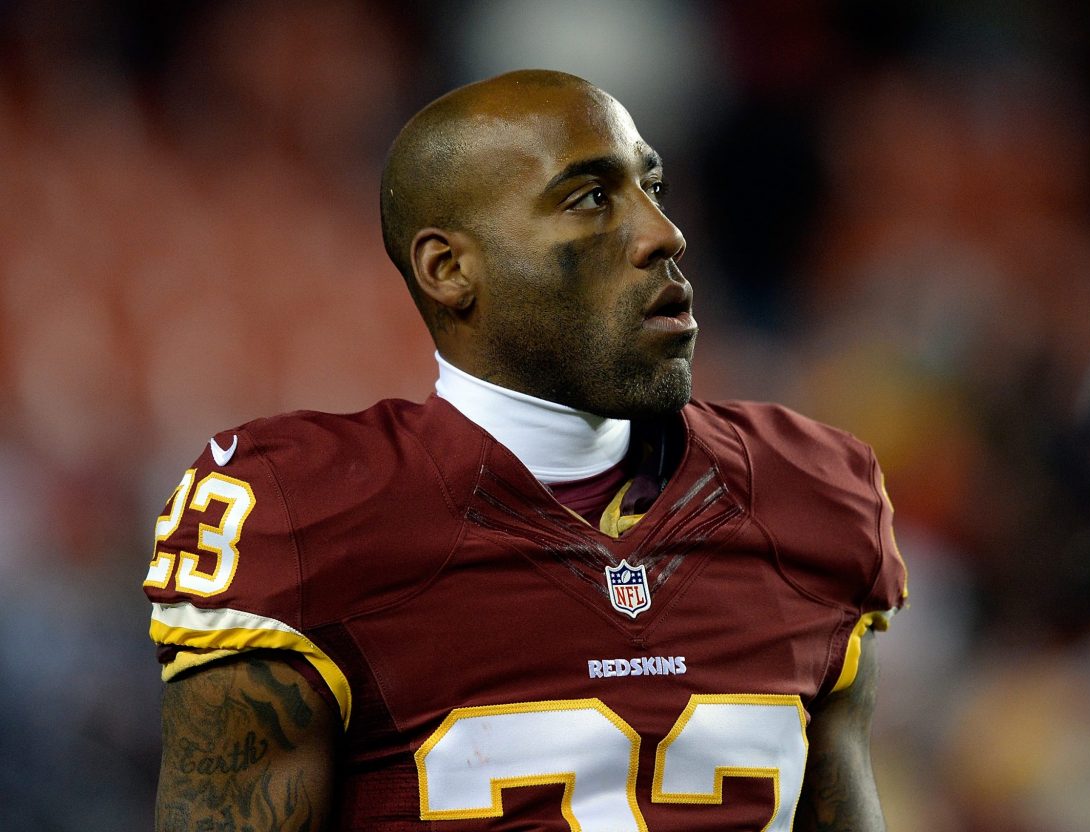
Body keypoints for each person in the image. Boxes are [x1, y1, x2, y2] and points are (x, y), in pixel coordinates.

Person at [144, 69, 907, 831]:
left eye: (654, 188)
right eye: (589, 199)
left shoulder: (810, 493)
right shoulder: (303, 517)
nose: (662, 235)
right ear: (449, 270)